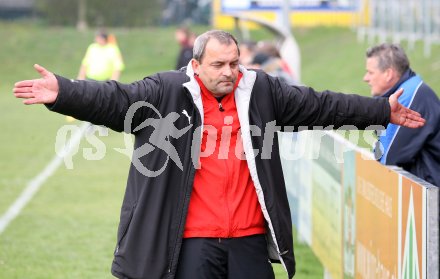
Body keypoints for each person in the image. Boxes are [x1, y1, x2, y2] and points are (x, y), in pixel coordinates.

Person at [13, 30, 425, 279]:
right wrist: (64, 93)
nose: (229, 72)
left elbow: (321, 105)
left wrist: (379, 109)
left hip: (247, 241)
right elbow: (114, 100)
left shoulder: (261, 90)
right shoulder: (166, 91)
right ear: (196, 65)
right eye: (219, 65)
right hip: (193, 243)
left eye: (234, 63)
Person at [363, 43, 439, 187]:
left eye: (370, 72)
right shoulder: (407, 89)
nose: (365, 78)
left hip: (431, 200)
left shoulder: (409, 95)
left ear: (388, 74)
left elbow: (388, 161)